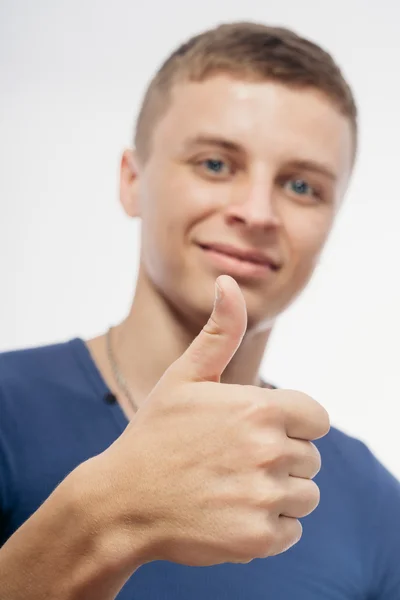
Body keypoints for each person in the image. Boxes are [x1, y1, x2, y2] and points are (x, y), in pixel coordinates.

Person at [0, 20, 399, 600]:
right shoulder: (9, 410)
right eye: (216, 164)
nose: (258, 212)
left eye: (301, 186)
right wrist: (114, 511)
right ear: (132, 181)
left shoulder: (372, 502)